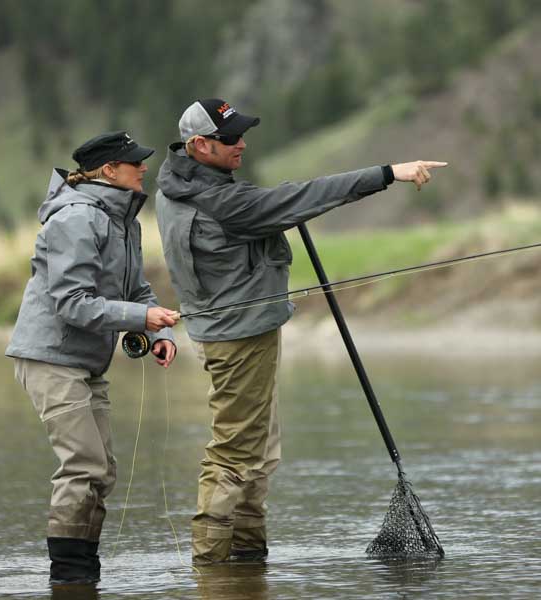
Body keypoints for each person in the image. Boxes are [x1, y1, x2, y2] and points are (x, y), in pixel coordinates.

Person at [155, 98, 447, 565]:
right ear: (199, 145)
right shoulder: (222, 200)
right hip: (239, 336)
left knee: (257, 450)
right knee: (234, 454)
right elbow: (290, 200)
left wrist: (279, 209)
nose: (242, 144)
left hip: (231, 330)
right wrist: (389, 173)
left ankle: (247, 563)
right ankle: (210, 568)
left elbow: (270, 207)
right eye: (230, 139)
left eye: (241, 134)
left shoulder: (177, 186)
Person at [6, 131, 179, 584]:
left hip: (86, 362)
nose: (144, 167)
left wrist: (151, 327)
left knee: (102, 471)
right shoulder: (76, 219)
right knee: (84, 466)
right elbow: (73, 302)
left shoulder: (125, 220)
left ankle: (83, 576)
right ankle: (69, 576)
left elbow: (135, 288)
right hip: (50, 358)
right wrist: (141, 315)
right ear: (108, 171)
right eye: (134, 162)